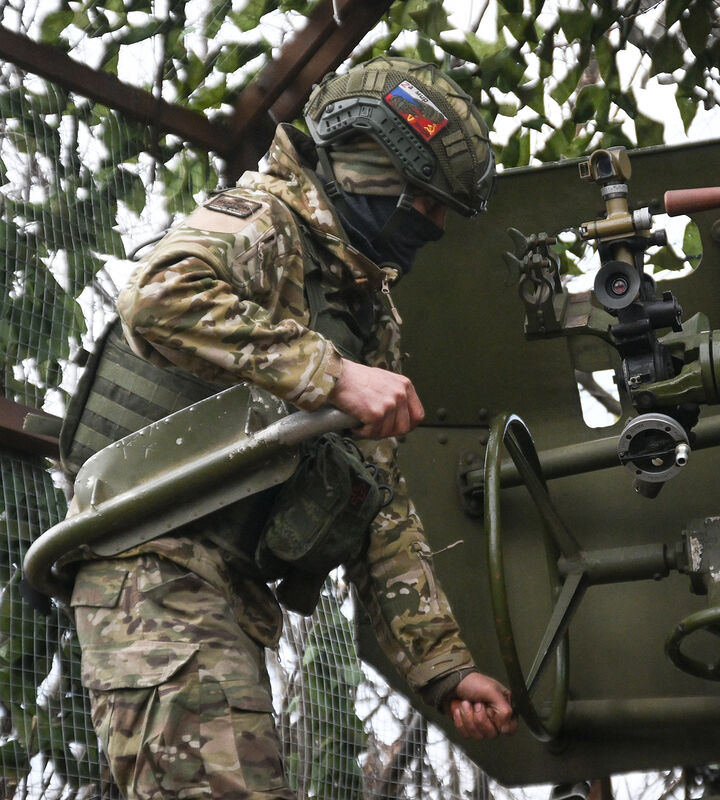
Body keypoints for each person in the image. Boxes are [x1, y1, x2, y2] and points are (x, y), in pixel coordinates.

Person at [65, 57, 517, 800]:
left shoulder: (367, 310)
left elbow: (380, 504)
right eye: (428, 204)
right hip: (151, 568)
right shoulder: (267, 222)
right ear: (375, 168)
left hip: (226, 597)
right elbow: (158, 297)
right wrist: (332, 375)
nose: (434, 228)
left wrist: (444, 667)